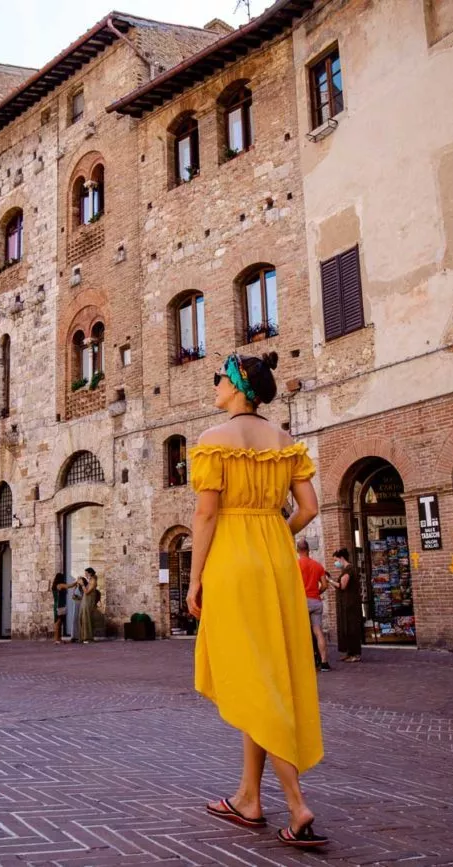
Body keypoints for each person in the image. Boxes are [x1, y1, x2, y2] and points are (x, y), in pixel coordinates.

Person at [187, 351, 327, 851]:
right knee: (267, 674)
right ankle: (249, 797)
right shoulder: (285, 442)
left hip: (232, 560)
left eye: (220, 378)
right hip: (275, 559)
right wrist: (274, 532)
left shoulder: (212, 441)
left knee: (252, 679)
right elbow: (309, 508)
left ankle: (296, 803)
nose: (215, 385)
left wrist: (195, 577)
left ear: (241, 387)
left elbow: (205, 516)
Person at [297, 538, 330, 671]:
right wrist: (317, 591)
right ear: (308, 550)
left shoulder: (296, 565)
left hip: (302, 602)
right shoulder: (317, 565)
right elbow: (325, 585)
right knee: (318, 632)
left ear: (297, 550)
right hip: (316, 601)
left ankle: (308, 660)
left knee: (303, 632)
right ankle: (324, 662)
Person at [332, 548, 362, 662]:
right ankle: (349, 653)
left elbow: (342, 586)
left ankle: (355, 654)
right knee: (346, 628)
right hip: (345, 603)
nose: (335, 563)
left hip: (350, 604)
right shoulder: (346, 570)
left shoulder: (349, 570)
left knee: (351, 628)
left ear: (341, 558)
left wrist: (329, 580)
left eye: (336, 560)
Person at [52, 573, 77, 644]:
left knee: (60, 622)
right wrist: (77, 581)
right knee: (58, 622)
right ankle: (56, 639)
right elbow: (70, 586)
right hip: (59, 605)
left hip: (62, 605)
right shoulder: (59, 585)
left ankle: (59, 638)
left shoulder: (58, 585)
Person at [78, 567, 98, 644]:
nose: (85, 574)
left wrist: (82, 584)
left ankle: (88, 637)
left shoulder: (93, 581)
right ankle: (83, 636)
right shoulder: (90, 580)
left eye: (86, 573)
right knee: (82, 616)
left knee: (86, 617)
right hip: (85, 600)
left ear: (90, 573)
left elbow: (87, 592)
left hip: (89, 601)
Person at [69, 576, 85, 643]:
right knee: (74, 619)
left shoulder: (83, 588)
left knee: (79, 619)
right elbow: (73, 595)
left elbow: (84, 597)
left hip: (80, 604)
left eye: (79, 580)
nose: (78, 581)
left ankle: (80, 636)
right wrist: (73, 597)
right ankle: (74, 636)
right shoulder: (76, 587)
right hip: (75, 604)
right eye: (77, 579)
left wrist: (78, 597)